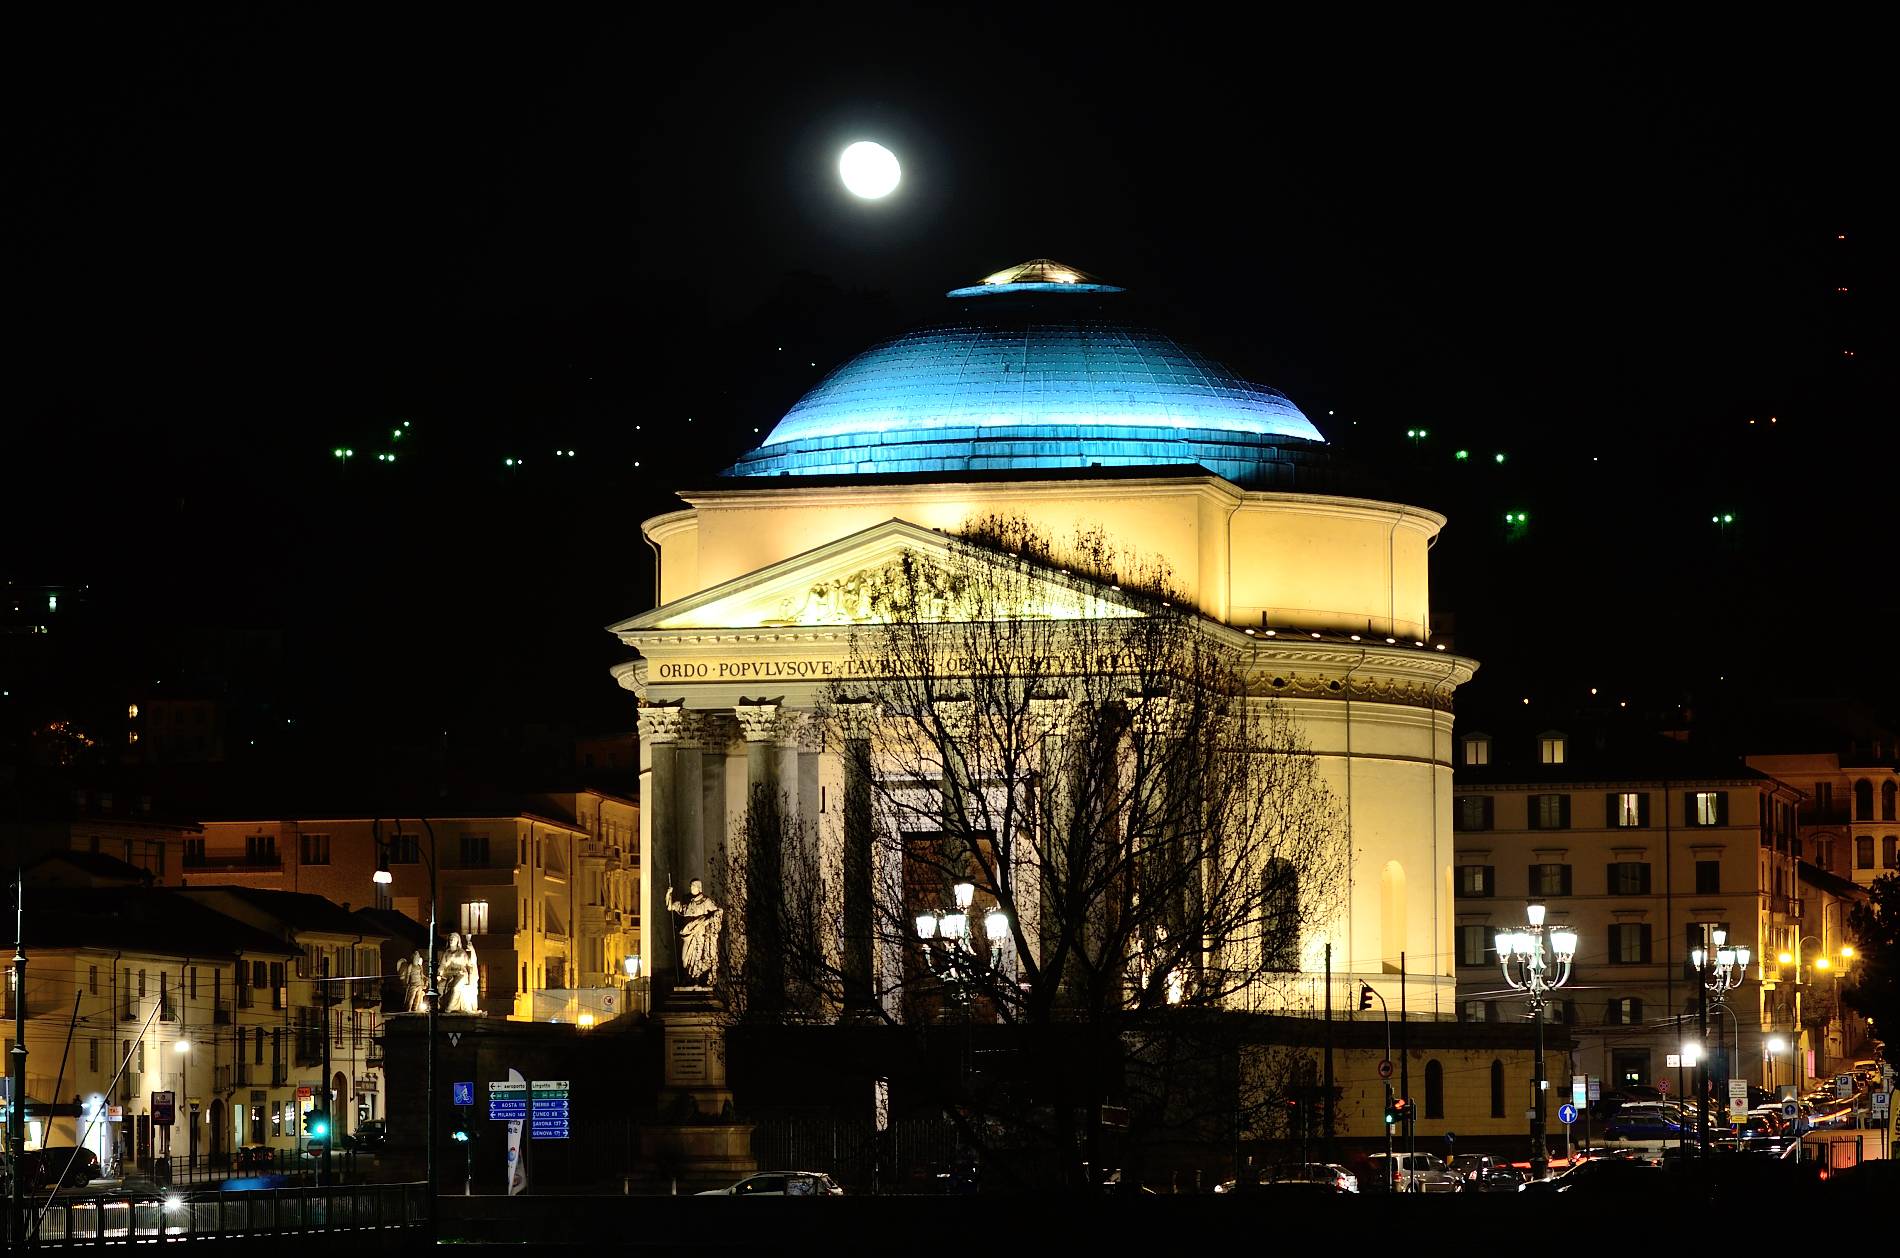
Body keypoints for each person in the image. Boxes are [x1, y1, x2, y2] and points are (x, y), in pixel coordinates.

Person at [666, 879, 723, 985]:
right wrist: (669, 894)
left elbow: (718, 911)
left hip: (699, 934)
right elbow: (670, 907)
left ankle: (695, 979)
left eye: (693, 886)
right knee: (685, 960)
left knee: (697, 957)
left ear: (699, 887)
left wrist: (705, 921)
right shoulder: (685, 899)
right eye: (690, 886)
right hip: (687, 933)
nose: (691, 888)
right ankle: (689, 977)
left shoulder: (706, 901)